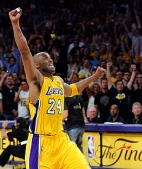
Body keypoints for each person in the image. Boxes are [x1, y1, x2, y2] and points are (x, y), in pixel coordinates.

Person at [9, 8, 105, 169]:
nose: (50, 60)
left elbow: (73, 89)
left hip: (61, 139)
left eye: (50, 57)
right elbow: (25, 52)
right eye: (45, 58)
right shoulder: (36, 80)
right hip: (42, 143)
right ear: (37, 65)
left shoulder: (59, 81)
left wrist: (94, 77)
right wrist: (15, 24)